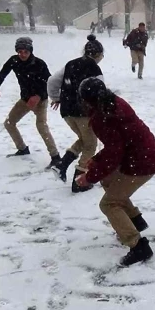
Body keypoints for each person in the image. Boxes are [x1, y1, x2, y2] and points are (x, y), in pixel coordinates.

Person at [75, 77, 155, 267]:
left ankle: (138, 246)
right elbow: (116, 146)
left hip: (141, 163)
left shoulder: (103, 116)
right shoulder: (112, 102)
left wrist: (89, 177)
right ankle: (135, 221)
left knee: (109, 204)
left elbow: (114, 153)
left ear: (87, 100)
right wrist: (97, 160)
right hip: (143, 156)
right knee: (108, 180)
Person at [0, 37, 60, 167]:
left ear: (30, 51)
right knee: (9, 123)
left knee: (41, 126)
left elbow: (49, 83)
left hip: (40, 101)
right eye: (20, 51)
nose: (22, 54)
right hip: (25, 99)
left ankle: (56, 157)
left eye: (25, 52)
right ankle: (22, 149)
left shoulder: (39, 64)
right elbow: (2, 74)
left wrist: (38, 96)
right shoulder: (14, 61)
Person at [47, 35, 105, 193]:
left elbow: (52, 81)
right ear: (98, 54)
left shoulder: (70, 64)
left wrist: (56, 98)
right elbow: (101, 92)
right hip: (84, 113)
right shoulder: (94, 68)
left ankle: (62, 165)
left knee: (84, 140)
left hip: (67, 112)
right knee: (91, 144)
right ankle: (79, 181)